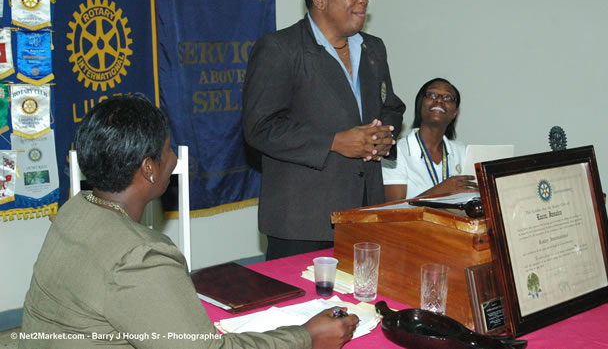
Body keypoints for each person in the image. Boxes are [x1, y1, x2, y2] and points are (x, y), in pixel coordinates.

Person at [19, 94, 358, 349]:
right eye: (167, 150)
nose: (173, 159)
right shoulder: (140, 255)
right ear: (149, 168)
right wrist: (306, 337)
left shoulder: (76, 210)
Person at [243, 0, 406, 260]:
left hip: (364, 213)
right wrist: (334, 141)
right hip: (303, 222)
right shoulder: (280, 49)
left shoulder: (374, 48)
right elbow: (260, 127)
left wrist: (385, 134)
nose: (363, 0)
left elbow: (391, 106)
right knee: (304, 308)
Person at [382, 78, 478, 201]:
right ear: (420, 104)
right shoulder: (395, 151)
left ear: (455, 112)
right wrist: (441, 191)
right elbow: (393, 211)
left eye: (447, 97)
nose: (439, 100)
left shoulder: (464, 152)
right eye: (432, 95)